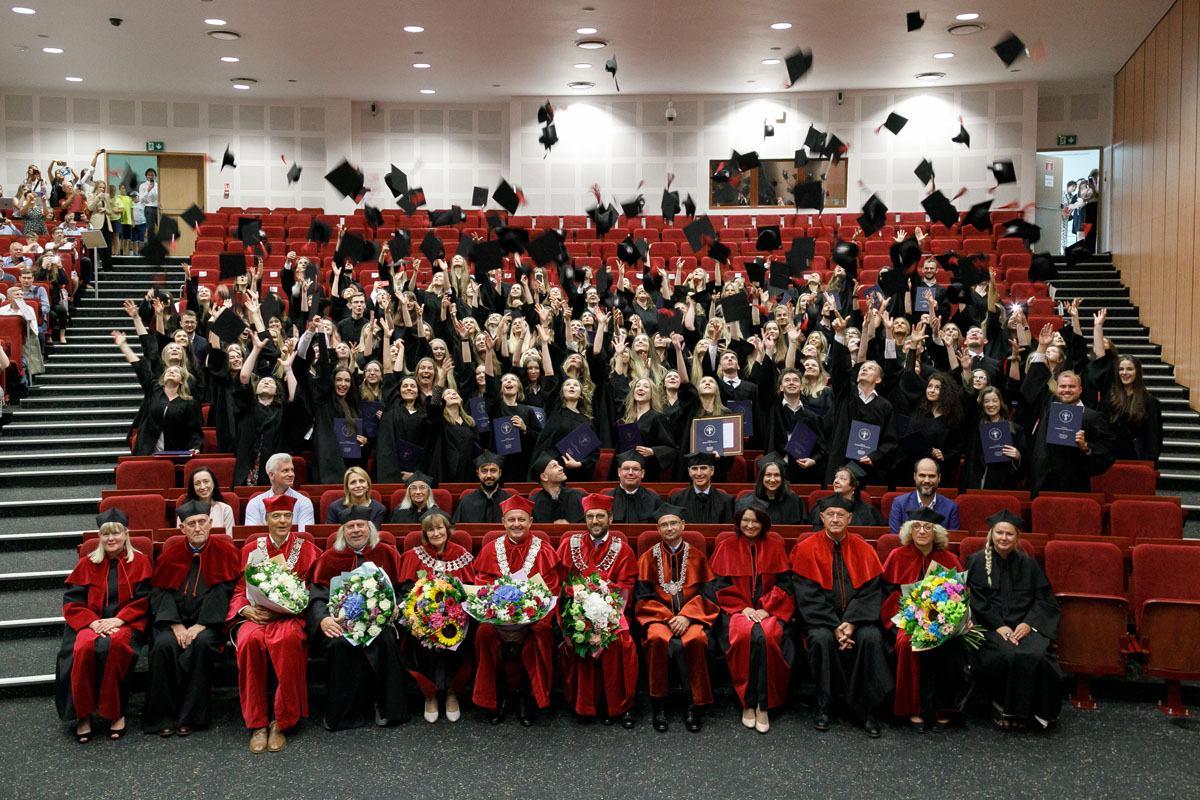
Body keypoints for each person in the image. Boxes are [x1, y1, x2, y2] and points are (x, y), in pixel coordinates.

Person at [790, 495, 893, 737]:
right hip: (820, 620)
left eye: (841, 515)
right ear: (821, 517)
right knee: (822, 639)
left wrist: (851, 623)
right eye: (830, 515)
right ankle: (824, 704)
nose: (835, 519)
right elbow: (807, 595)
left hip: (858, 619)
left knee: (871, 638)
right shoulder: (805, 549)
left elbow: (870, 592)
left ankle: (866, 708)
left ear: (850, 518)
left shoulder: (864, 549)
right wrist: (835, 625)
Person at [227, 493, 321, 753]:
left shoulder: (308, 549)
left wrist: (289, 609)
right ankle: (257, 722)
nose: (282, 521)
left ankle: (282, 720)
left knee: (287, 641)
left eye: (287, 516)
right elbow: (238, 589)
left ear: (293, 518)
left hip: (290, 617)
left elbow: (315, 589)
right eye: (276, 516)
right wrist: (245, 610)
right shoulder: (251, 549)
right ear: (266, 519)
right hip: (257, 615)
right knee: (249, 640)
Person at [142, 501, 240, 736]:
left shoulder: (226, 552)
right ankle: (162, 717)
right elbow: (160, 591)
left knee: (203, 644)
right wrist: (175, 625)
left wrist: (199, 625)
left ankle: (191, 717)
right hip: (172, 621)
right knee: (164, 645)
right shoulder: (170, 555)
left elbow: (224, 591)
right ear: (182, 528)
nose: (197, 528)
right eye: (191, 524)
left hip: (207, 623)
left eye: (202, 522)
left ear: (210, 524)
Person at [55, 509, 152, 743]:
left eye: (116, 533)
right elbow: (73, 600)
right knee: (82, 649)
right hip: (92, 622)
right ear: (100, 537)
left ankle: (115, 713)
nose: (111, 539)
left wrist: (120, 619)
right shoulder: (88, 563)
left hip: (125, 622)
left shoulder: (140, 561)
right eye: (106, 535)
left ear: (126, 534)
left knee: (116, 646)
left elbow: (146, 598)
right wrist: (92, 622)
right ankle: (84, 715)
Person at [310, 510, 409, 730]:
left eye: (360, 525)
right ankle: (344, 713)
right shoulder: (329, 558)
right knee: (339, 643)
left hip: (381, 622)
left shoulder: (387, 553)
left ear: (370, 529)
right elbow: (317, 596)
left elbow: (403, 590)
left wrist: (396, 606)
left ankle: (387, 708)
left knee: (384, 639)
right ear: (342, 532)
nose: (356, 530)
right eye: (350, 526)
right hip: (341, 624)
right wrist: (324, 620)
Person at [965, 510, 1063, 730]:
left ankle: (1036, 713)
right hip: (990, 627)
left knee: (1038, 654)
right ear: (991, 534)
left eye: (1009, 534)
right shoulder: (977, 561)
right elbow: (977, 603)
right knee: (1009, 653)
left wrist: (1028, 623)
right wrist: (999, 626)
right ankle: (1004, 707)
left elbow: (1043, 601)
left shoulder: (1028, 565)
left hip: (1024, 626)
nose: (1003, 538)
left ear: (1017, 537)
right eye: (999, 533)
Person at [471, 495, 561, 726]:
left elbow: (551, 589)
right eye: (512, 519)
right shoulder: (491, 549)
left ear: (531, 521)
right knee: (483, 634)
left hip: (534, 619)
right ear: (503, 521)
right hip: (495, 620)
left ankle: (527, 697)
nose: (517, 524)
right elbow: (482, 588)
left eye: (522, 519)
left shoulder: (545, 550)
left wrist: (526, 622)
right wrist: (501, 621)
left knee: (541, 633)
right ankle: (496, 697)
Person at [880, 509, 970, 732]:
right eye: (917, 527)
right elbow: (888, 594)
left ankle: (944, 709)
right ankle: (913, 708)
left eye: (927, 527)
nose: (922, 531)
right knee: (906, 644)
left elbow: (959, 595)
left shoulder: (949, 559)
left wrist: (954, 619)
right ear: (909, 531)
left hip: (942, 620)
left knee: (949, 645)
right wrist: (908, 617)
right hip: (907, 621)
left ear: (936, 532)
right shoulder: (897, 556)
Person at [710, 499, 795, 734]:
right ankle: (747, 703)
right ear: (738, 522)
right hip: (737, 611)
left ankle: (764, 705)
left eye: (755, 521)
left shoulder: (776, 546)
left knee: (766, 637)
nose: (750, 525)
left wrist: (767, 608)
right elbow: (719, 586)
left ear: (763, 523)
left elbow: (785, 585)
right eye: (745, 520)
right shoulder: (726, 546)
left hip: (769, 610)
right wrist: (742, 608)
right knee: (747, 636)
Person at [635, 504, 719, 733]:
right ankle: (659, 705)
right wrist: (667, 617)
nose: (669, 528)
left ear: (683, 525)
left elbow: (708, 596)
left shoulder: (698, 557)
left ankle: (694, 705)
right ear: (658, 528)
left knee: (696, 640)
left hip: (691, 618)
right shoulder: (646, 559)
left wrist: (687, 617)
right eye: (664, 525)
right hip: (659, 619)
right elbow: (642, 598)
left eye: (674, 523)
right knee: (656, 639)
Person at [557, 494, 639, 727]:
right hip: (574, 612)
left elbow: (626, 587)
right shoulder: (569, 544)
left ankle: (618, 705)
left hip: (613, 613)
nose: (595, 520)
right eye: (590, 516)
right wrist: (575, 611)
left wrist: (604, 608)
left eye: (600, 516)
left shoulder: (622, 549)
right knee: (578, 636)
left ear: (610, 518)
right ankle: (585, 704)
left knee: (619, 641)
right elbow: (561, 582)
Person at [397, 510, 475, 723]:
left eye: (440, 527)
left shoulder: (462, 554)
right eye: (430, 529)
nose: (436, 532)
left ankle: (452, 692)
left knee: (463, 634)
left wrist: (455, 615)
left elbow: (469, 590)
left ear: (448, 530)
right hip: (423, 617)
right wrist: (422, 616)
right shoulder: (414, 555)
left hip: (457, 619)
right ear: (425, 534)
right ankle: (429, 694)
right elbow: (406, 591)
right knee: (418, 634)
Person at [1022, 324, 1115, 493]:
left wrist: (1086, 447)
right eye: (1062, 386)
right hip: (1041, 482)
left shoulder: (1092, 417)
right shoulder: (1048, 406)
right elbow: (1031, 387)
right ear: (1057, 388)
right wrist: (1042, 347)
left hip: (1073, 484)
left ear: (1080, 389)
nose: (1066, 390)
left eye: (1071, 387)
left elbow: (1107, 452)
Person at [823, 314, 900, 488]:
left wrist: (874, 457)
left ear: (878, 380)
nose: (864, 370)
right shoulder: (846, 393)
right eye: (862, 368)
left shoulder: (885, 406)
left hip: (869, 468)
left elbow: (890, 441)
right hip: (841, 462)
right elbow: (839, 370)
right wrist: (840, 335)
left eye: (870, 368)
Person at [112, 327, 203, 455]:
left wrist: (196, 446)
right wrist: (123, 346)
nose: (171, 371)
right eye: (169, 371)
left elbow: (194, 429)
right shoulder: (154, 389)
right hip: (147, 449)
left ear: (182, 380)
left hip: (174, 450)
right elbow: (139, 368)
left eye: (176, 371)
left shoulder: (187, 403)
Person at [887, 457, 961, 534]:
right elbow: (894, 538)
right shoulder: (899, 504)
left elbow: (952, 542)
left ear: (939, 478)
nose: (927, 480)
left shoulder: (951, 507)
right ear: (915, 476)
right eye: (922, 475)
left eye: (932, 476)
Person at [244, 453, 315, 530]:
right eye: (285, 471)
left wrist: (266, 531)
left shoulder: (304, 502)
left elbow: (303, 537)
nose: (291, 474)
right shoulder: (255, 504)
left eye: (292, 470)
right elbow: (253, 537)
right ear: (271, 475)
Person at [809, 462, 885, 529]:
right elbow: (817, 535)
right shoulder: (822, 505)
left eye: (842, 478)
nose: (836, 481)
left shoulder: (868, 510)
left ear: (855, 485)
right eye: (836, 477)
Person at [668, 451, 735, 525]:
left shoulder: (726, 501)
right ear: (689, 472)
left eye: (703, 468)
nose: (699, 473)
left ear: (712, 470)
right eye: (694, 469)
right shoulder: (676, 500)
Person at [603, 449, 665, 524]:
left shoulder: (655, 500)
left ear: (642, 473)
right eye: (626, 469)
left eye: (635, 469)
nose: (630, 473)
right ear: (619, 472)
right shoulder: (606, 499)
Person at [451, 451, 512, 524]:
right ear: (478, 473)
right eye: (484, 471)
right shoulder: (465, 502)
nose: (489, 475)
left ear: (500, 473)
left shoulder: (510, 501)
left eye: (493, 471)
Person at [529, 452, 585, 524]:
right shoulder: (533, 504)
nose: (561, 468)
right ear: (544, 477)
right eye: (554, 466)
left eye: (559, 465)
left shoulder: (579, 497)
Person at [753, 454, 808, 525]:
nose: (772, 480)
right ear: (761, 478)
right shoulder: (747, 501)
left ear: (782, 478)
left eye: (776, 475)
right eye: (768, 475)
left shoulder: (795, 501)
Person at [139, 168, 159, 239]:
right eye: (149, 175)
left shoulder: (157, 185)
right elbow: (141, 200)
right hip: (149, 208)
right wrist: (148, 190)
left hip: (158, 208)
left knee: (161, 228)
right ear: (146, 176)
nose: (150, 177)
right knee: (151, 229)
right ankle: (151, 246)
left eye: (152, 175)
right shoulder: (143, 186)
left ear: (155, 176)